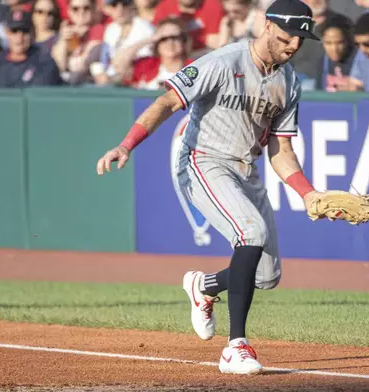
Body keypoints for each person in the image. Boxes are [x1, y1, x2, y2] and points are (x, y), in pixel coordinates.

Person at [96, 0, 327, 375]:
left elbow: (281, 149)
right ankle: (236, 347)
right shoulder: (222, 62)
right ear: (267, 26)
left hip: (245, 169)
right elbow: (168, 101)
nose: (294, 47)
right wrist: (127, 144)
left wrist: (308, 193)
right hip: (203, 161)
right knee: (251, 233)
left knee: (266, 276)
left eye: (301, 40)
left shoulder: (288, 81)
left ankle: (204, 286)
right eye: (288, 37)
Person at [0, 10, 63, 87]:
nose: (19, 37)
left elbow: (41, 95)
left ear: (32, 33)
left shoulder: (45, 61)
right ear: (6, 32)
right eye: (14, 31)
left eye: (25, 31)